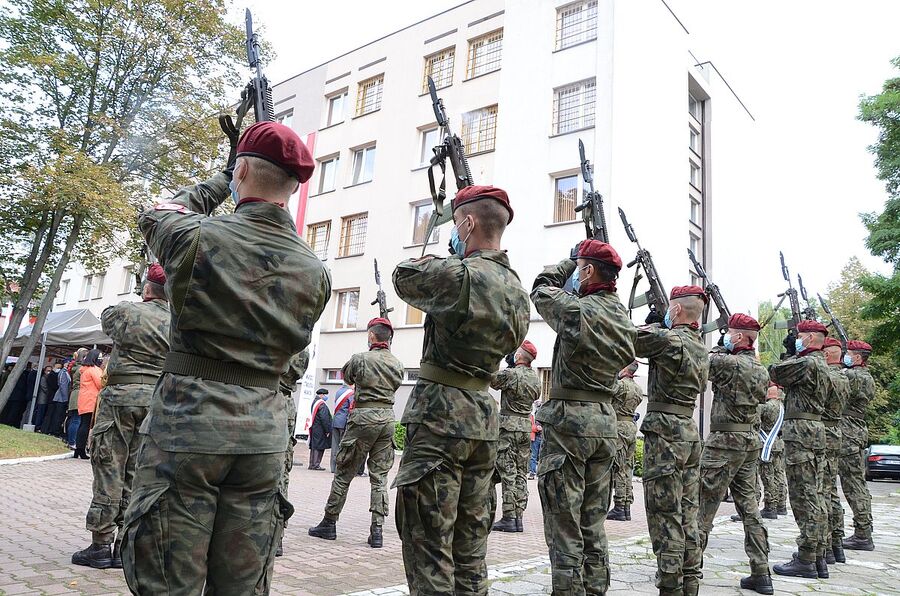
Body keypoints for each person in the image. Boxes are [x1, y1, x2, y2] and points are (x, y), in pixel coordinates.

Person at [120, 120, 329, 594]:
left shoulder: (197, 237)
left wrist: (221, 177)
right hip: (263, 437)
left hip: (188, 427)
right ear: (294, 187)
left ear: (243, 172)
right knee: (242, 584)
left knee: (169, 579)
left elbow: (157, 211)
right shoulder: (315, 269)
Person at [392, 185, 529, 595]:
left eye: (456, 224)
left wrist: (445, 253)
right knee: (471, 551)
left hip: (440, 418)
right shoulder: (518, 291)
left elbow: (404, 276)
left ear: (467, 223)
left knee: (430, 547)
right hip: (484, 420)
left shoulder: (457, 276)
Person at [530, 239, 636, 593]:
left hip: (570, 423)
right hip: (605, 422)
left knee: (564, 522)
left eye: (580, 268)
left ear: (587, 271)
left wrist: (568, 259)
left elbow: (541, 289)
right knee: (593, 521)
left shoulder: (579, 311)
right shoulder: (622, 316)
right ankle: (595, 589)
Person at [71, 264, 171, 570]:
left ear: (147, 289)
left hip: (120, 399)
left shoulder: (128, 312)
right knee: (137, 473)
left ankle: (101, 544)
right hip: (155, 402)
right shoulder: (180, 322)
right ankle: (125, 545)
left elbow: (107, 317)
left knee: (109, 465)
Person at [634, 286, 709, 596]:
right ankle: (690, 582)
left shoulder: (668, 340)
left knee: (664, 515)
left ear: (676, 311)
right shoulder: (702, 348)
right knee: (689, 513)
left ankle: (669, 586)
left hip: (665, 433)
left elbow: (628, 338)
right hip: (689, 432)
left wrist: (652, 324)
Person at [309, 318, 404, 548]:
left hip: (363, 418)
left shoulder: (360, 359)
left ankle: (329, 523)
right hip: (387, 419)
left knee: (344, 472)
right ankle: (377, 530)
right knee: (380, 477)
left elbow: (348, 377)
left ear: (372, 336)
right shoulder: (397, 363)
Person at [697, 314, 772, 595]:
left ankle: (689, 566)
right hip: (749, 442)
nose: (726, 336)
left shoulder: (728, 362)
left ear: (739, 337)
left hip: (723, 442)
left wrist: (719, 347)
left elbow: (702, 362)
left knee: (702, 507)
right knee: (750, 509)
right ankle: (761, 572)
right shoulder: (761, 370)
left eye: (729, 332)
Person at [769, 320, 831, 580]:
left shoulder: (807, 363)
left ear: (810, 339)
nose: (797, 339)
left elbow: (774, 372)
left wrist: (791, 354)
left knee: (803, 497)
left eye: (800, 336)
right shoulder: (823, 364)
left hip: (801, 432)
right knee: (814, 495)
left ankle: (806, 558)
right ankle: (817, 557)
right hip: (814, 429)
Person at [489, 340, 541, 533]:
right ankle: (518, 517)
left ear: (519, 356)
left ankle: (509, 517)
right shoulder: (535, 378)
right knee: (521, 473)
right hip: (526, 428)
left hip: (509, 428)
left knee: (508, 472)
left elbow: (492, 379)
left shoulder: (511, 375)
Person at [839, 340, 876, 552]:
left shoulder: (852, 375)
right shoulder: (866, 377)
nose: (845, 356)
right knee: (856, 484)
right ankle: (863, 531)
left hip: (848, 434)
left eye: (849, 353)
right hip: (856, 431)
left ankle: (863, 534)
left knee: (853, 485)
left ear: (858, 358)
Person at [276, 348, 310, 557]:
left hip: (258, 393)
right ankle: (277, 536)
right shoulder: (298, 340)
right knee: (281, 472)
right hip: (285, 402)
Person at [821, 336, 849, 564]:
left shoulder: (827, 375)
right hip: (835, 433)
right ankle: (836, 543)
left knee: (820, 492)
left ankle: (825, 546)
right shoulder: (844, 377)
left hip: (822, 434)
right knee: (830, 492)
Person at [607, 361, 643, 522]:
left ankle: (620, 506)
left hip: (619, 426)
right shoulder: (638, 388)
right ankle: (627, 504)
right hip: (631, 426)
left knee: (619, 467)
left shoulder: (621, 386)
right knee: (628, 466)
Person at [756, 383, 787, 519]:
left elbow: (755, 421)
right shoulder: (782, 406)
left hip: (767, 444)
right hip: (779, 443)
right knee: (779, 475)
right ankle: (782, 505)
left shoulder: (766, 407)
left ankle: (770, 506)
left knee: (767, 476)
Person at [74, 349, 103, 459]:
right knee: (86, 426)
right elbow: (101, 384)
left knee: (83, 425)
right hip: (91, 400)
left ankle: (78, 449)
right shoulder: (94, 370)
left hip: (85, 399)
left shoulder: (85, 369)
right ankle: (81, 449)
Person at [1, 361, 35, 427]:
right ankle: (9, 423)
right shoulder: (21, 375)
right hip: (16, 397)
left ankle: (8, 422)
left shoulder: (12, 374)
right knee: (13, 412)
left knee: (10, 412)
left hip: (13, 397)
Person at [66, 349, 88, 448]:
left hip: (74, 394)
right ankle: (72, 442)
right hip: (79, 394)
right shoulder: (82, 369)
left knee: (74, 419)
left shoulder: (75, 367)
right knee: (76, 420)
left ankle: (70, 440)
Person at [330, 384, 354, 473]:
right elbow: (351, 409)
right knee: (343, 446)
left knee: (334, 446)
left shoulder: (338, 391)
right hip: (344, 422)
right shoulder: (351, 393)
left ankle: (333, 467)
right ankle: (339, 467)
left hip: (336, 420)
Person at [307, 388, 332, 470]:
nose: (326, 397)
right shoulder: (321, 404)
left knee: (314, 446)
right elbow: (324, 419)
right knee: (319, 447)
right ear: (322, 395)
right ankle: (316, 465)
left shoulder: (314, 402)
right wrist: (327, 430)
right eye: (325, 395)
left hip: (315, 428)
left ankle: (312, 464)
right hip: (320, 429)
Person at [43, 363, 69, 437]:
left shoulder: (57, 374)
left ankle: (48, 429)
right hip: (54, 397)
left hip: (55, 397)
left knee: (53, 414)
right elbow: (59, 386)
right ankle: (48, 429)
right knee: (53, 414)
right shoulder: (58, 374)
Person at [528, 401, 542, 480]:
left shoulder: (544, 414)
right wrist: (536, 428)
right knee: (533, 456)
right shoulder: (532, 415)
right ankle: (532, 473)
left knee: (542, 457)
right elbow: (529, 426)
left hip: (543, 437)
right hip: (535, 438)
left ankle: (540, 473)